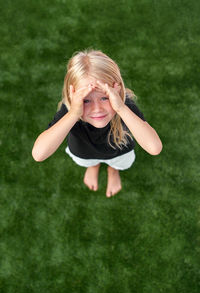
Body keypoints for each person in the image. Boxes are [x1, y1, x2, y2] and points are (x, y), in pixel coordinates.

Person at [32, 49, 162, 197]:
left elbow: (154, 148)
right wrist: (74, 113)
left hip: (119, 153)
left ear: (117, 91)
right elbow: (39, 154)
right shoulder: (70, 109)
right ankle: (93, 166)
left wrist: (120, 107)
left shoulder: (124, 105)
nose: (97, 109)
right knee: (89, 163)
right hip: (84, 154)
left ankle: (113, 171)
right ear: (72, 96)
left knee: (117, 164)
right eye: (86, 100)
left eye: (104, 98)